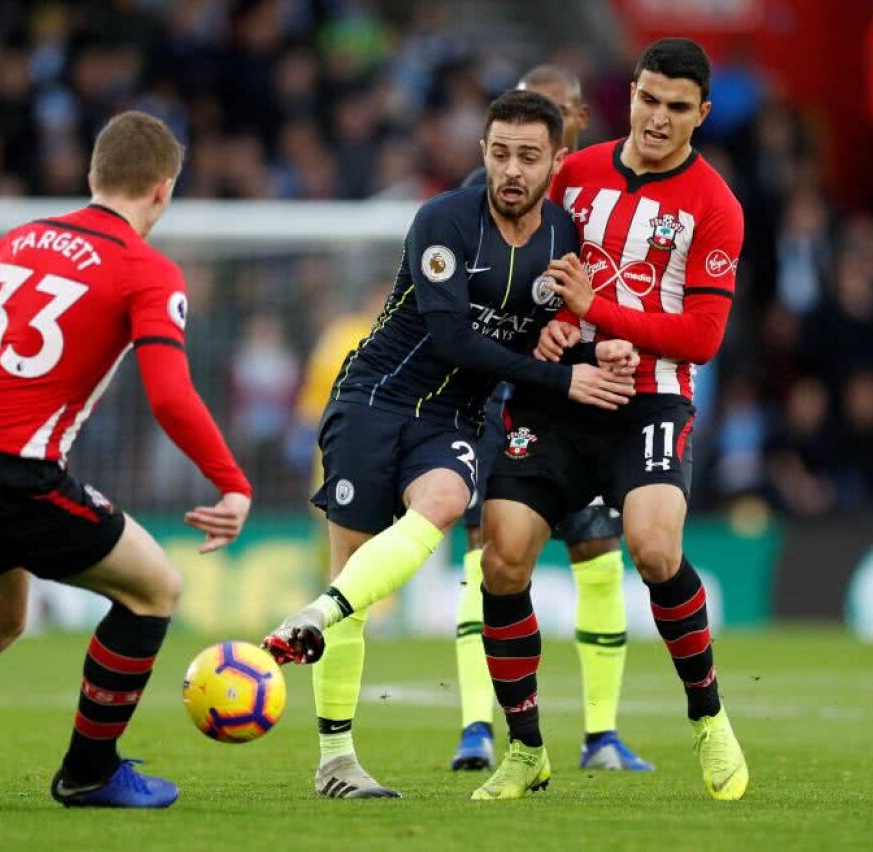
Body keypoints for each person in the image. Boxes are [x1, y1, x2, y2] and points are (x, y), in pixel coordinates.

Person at [0, 111, 253, 809]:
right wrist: (231, 482)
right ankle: (90, 771)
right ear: (163, 191)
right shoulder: (147, 270)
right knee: (154, 589)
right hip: (15, 474)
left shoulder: (21, 239)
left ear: (93, 175)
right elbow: (170, 395)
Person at [262, 90, 638, 799]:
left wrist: (581, 344)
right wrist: (562, 380)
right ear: (483, 154)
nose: (512, 170)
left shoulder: (565, 238)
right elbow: (453, 338)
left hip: (454, 420)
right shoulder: (443, 221)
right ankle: (336, 760)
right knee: (354, 569)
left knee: (443, 502)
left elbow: (553, 325)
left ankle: (315, 614)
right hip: (375, 399)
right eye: (500, 154)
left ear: (556, 161)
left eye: (528, 156)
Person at [473, 38, 748, 802]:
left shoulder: (715, 206)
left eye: (678, 108)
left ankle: (709, 719)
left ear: (703, 115)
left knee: (656, 549)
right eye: (649, 99)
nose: (658, 119)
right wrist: (550, 327)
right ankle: (525, 749)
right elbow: (532, 282)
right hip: (559, 393)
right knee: (502, 559)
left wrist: (602, 312)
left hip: (651, 400)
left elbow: (701, 337)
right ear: (629, 93)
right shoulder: (576, 173)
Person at [451, 64, 652, 774]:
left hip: (576, 399)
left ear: (576, 127)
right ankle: (478, 724)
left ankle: (601, 735)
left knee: (598, 554)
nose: (552, 120)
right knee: (491, 557)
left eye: (562, 111)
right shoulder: (479, 205)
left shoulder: (594, 207)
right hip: (496, 401)